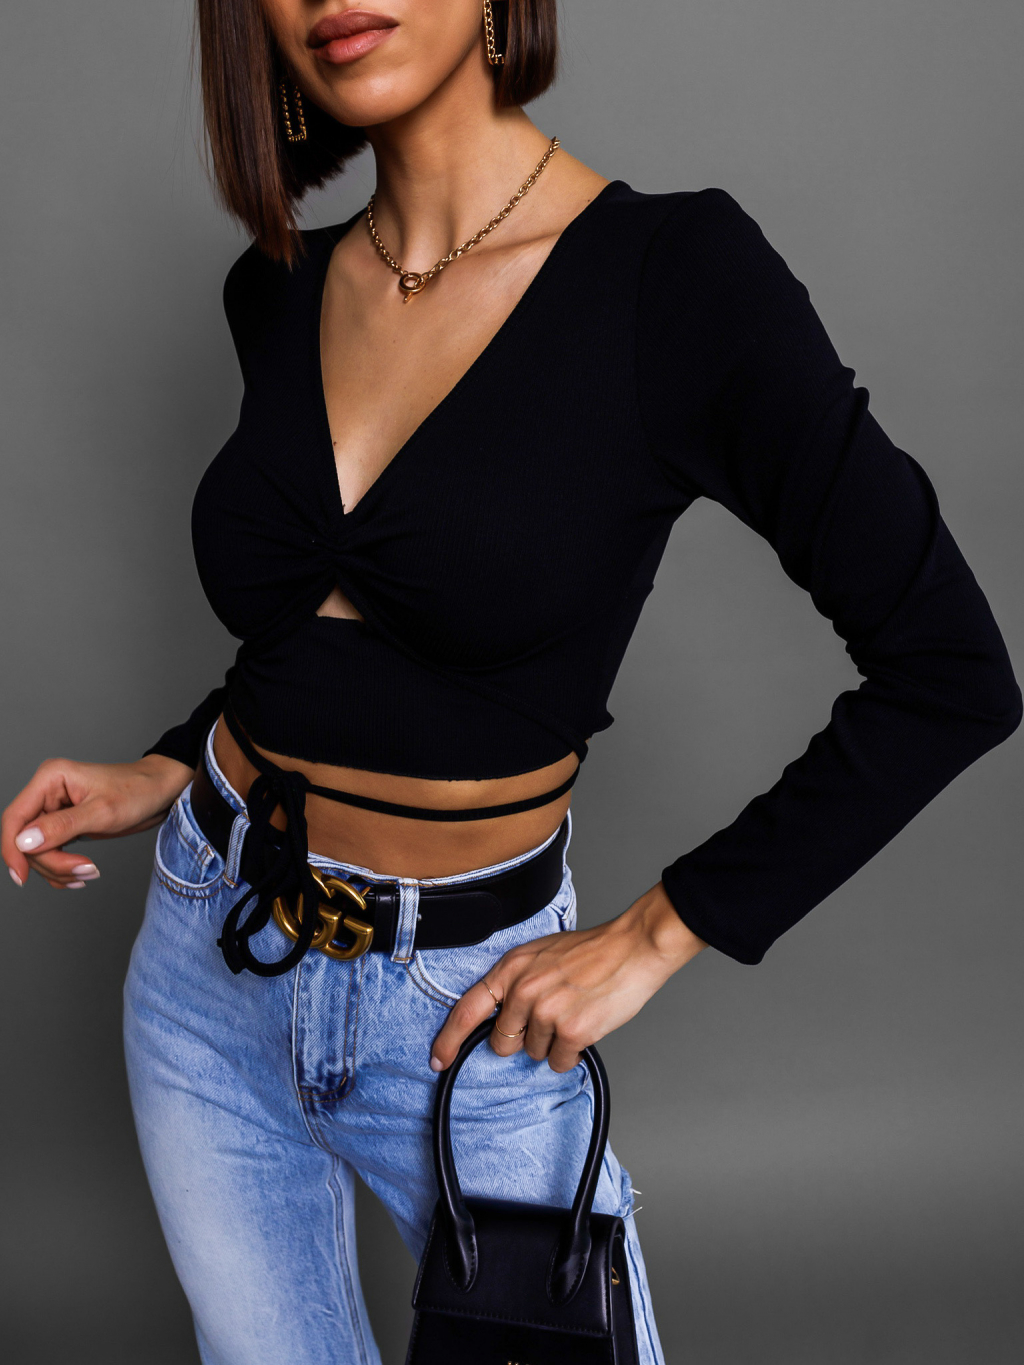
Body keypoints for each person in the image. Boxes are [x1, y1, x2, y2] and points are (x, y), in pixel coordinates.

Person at [2, 3, 1020, 1363]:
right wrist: (169, 766)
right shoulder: (280, 288)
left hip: (469, 1022)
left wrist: (657, 934)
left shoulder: (677, 281)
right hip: (208, 964)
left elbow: (951, 670)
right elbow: (319, 638)